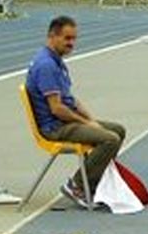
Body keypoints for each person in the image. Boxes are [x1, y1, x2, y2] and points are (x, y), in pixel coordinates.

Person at [26, 15, 126, 209]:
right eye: (67, 38)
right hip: (55, 127)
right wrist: (87, 124)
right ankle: (77, 185)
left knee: (118, 130)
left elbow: (71, 100)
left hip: (65, 122)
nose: (71, 43)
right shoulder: (46, 65)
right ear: (52, 36)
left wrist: (91, 119)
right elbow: (57, 109)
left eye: (74, 39)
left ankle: (94, 185)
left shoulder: (56, 61)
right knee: (110, 139)